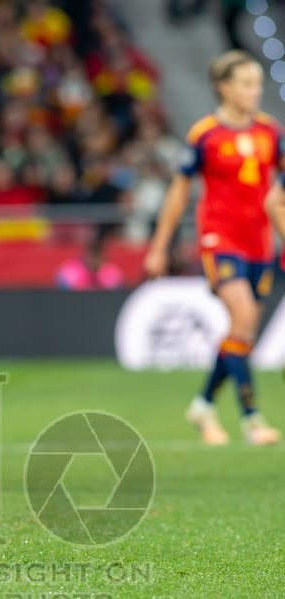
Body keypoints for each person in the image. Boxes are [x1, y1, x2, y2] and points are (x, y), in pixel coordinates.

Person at [144, 50, 283, 446]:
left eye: (257, 84)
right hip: (219, 240)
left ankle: (204, 404)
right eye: (246, 84)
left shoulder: (271, 132)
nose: (255, 91)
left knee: (242, 332)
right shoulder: (205, 134)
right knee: (241, 317)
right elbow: (178, 192)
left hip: (260, 244)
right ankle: (252, 418)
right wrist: (159, 246)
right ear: (224, 87)